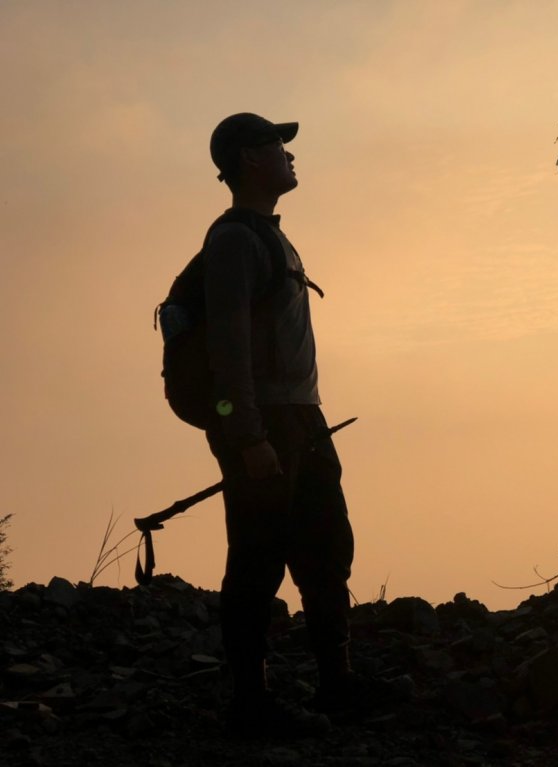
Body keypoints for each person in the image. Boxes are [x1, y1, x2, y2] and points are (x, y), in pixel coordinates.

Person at [204, 112, 356, 736]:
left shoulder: (273, 236)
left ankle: (338, 689)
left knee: (326, 551)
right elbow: (226, 351)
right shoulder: (235, 241)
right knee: (258, 560)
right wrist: (247, 437)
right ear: (248, 159)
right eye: (277, 145)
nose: (290, 155)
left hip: (304, 417)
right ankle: (250, 703)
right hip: (266, 423)